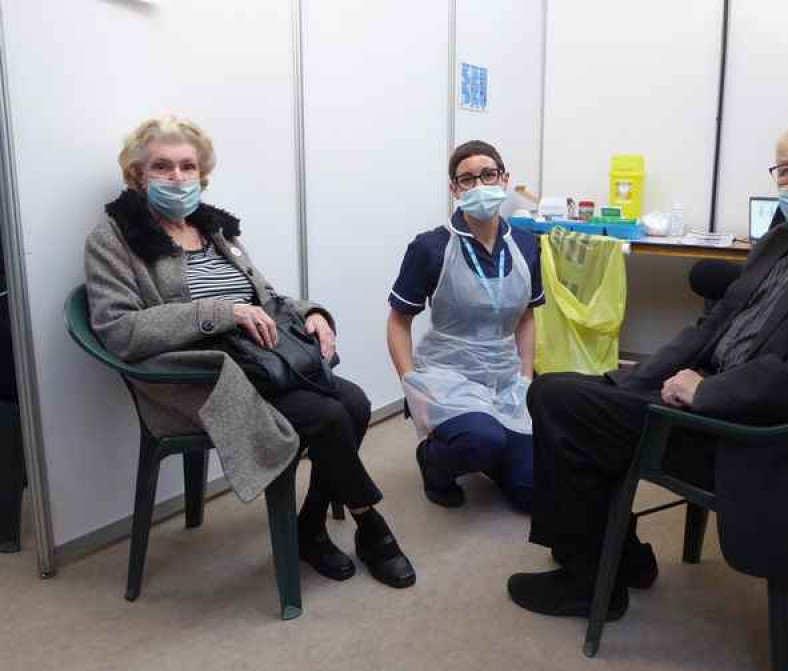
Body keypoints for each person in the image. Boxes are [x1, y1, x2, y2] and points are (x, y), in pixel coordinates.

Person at [508, 112, 788, 620]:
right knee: (572, 389)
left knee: (557, 401)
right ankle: (620, 560)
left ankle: (592, 585)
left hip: (762, 432)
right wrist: (636, 380)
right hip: (716, 396)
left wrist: (707, 394)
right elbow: (714, 324)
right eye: (786, 171)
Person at [85, 116, 415, 588]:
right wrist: (222, 313)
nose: (177, 178)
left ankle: (310, 527)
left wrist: (312, 313)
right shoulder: (114, 238)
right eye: (162, 166)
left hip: (259, 360)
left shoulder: (213, 230)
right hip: (198, 378)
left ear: (202, 174)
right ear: (137, 175)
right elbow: (119, 330)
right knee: (327, 415)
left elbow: (265, 297)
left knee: (355, 403)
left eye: (187, 166)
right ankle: (370, 524)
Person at [387, 140, 544, 511]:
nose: (479, 186)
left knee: (532, 493)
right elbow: (398, 321)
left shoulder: (525, 244)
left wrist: (524, 380)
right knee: (481, 440)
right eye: (467, 179)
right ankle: (434, 462)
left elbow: (526, 317)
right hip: (447, 375)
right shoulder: (430, 247)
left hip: (504, 375)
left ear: (504, 179)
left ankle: (491, 445)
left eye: (488, 175)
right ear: (454, 189)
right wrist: (412, 384)